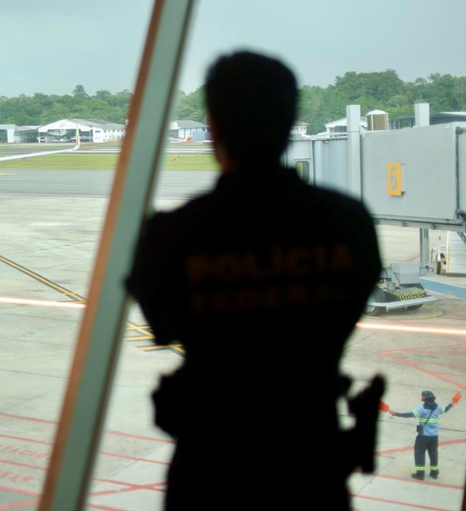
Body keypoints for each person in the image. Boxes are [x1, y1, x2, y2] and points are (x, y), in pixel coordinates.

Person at [127, 51, 384, 510]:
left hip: (211, 471)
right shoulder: (349, 224)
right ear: (291, 123)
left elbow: (162, 329)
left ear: (214, 127)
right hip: (312, 469)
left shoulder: (173, 235)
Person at [389, 390, 454, 480]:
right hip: (434, 436)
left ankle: (420, 474)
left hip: (423, 436)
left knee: (419, 453)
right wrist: (451, 404)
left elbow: (409, 415)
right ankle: (434, 473)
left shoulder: (422, 408)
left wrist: (396, 413)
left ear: (424, 399)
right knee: (433, 453)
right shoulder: (438, 407)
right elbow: (445, 409)